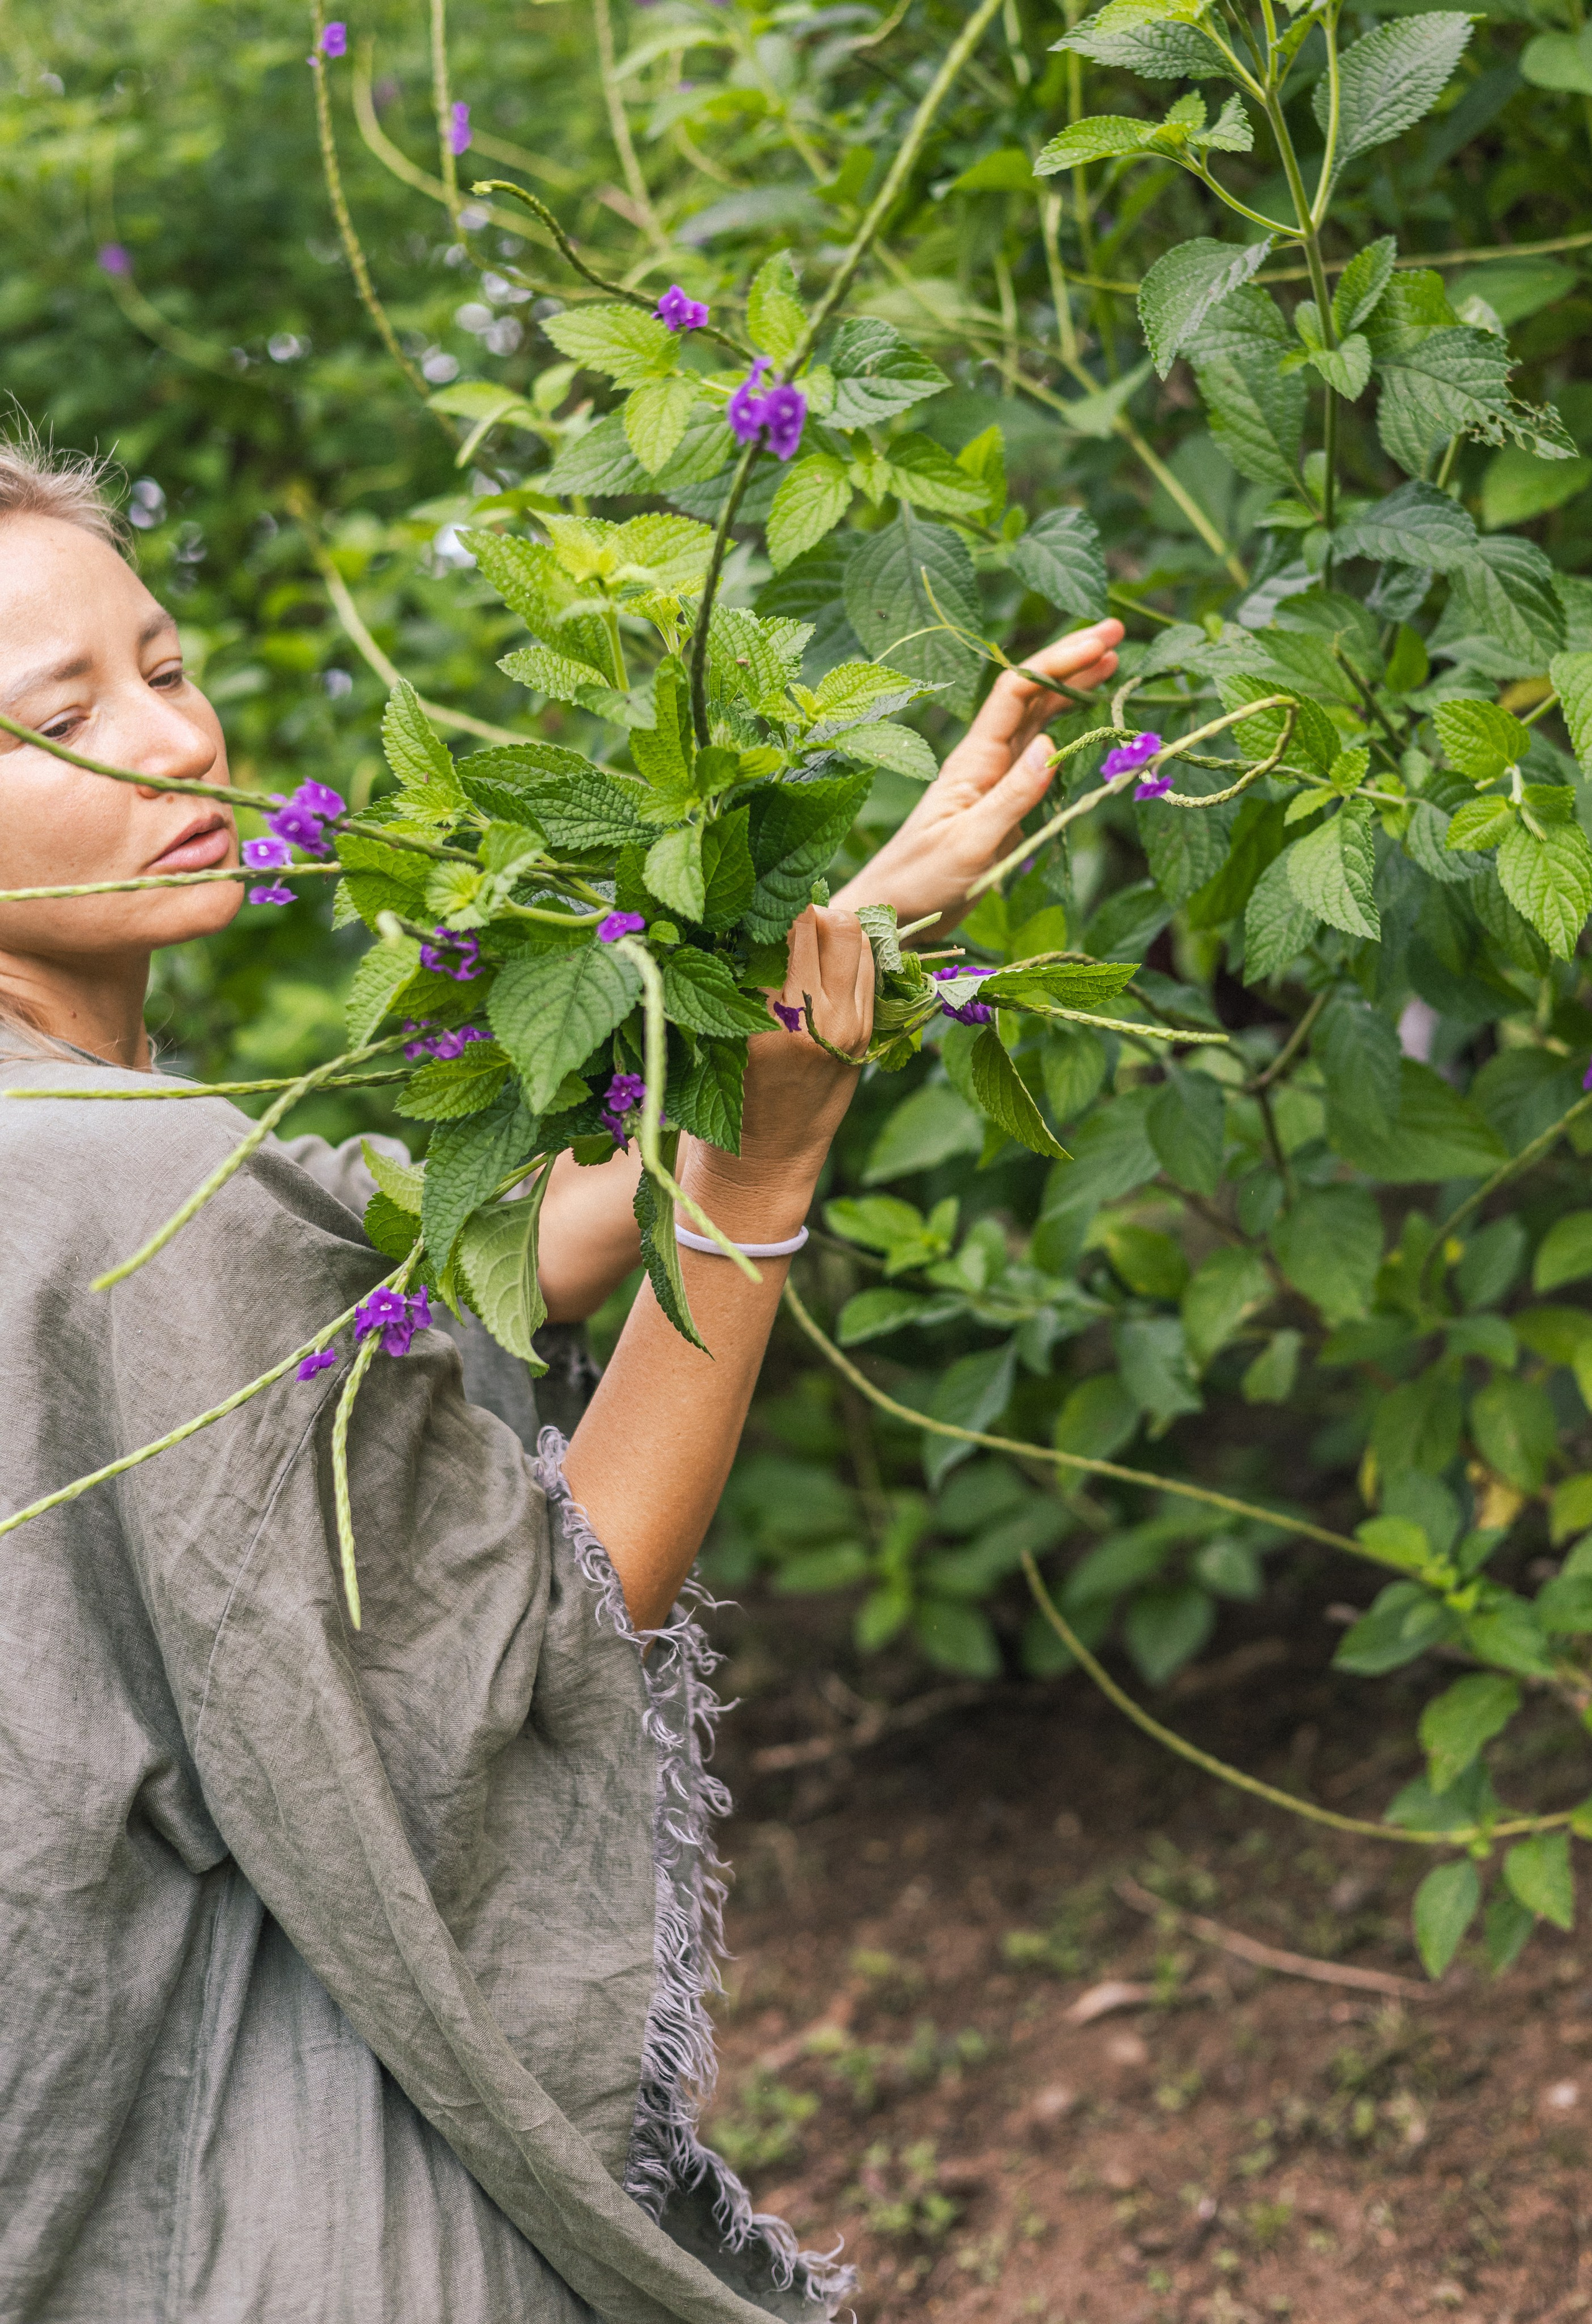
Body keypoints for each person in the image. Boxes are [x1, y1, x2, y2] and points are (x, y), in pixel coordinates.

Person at [0, 437, 1121, 2324]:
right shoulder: (136, 1187)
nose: (179, 746)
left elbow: (404, 1266)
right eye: (63, 715)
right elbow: (533, 1649)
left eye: (169, 666)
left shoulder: (68, 1158)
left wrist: (857, 921)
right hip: (270, 2219)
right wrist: (759, 1181)